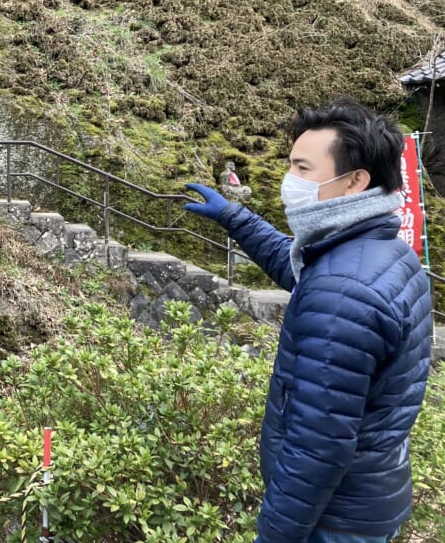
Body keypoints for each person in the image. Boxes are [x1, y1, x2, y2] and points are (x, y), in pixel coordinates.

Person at [184, 99, 432, 543]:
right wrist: (232, 216)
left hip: (333, 519)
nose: (288, 181)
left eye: (302, 168)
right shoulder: (379, 250)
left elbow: (318, 445)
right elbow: (304, 268)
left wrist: (275, 535)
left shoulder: (343, 290)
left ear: (356, 180)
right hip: (370, 494)